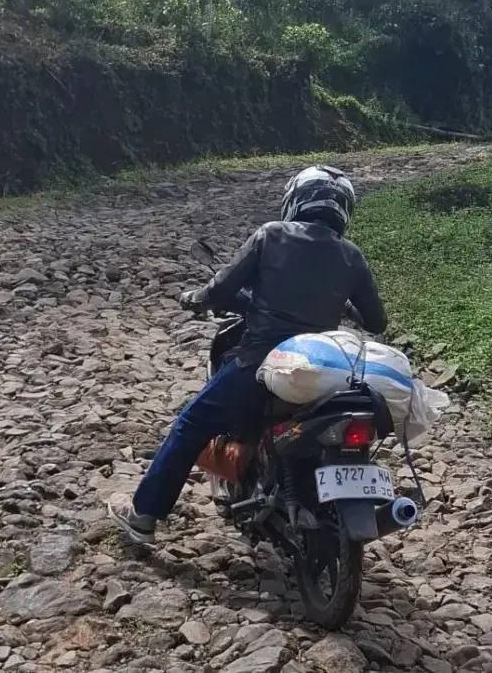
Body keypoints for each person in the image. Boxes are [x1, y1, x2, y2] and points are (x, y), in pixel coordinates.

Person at [107, 165, 388, 543]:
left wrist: (194, 299)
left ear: (297, 200)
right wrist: (345, 304)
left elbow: (220, 290)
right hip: (322, 367)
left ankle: (143, 517)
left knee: (190, 426)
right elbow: (377, 321)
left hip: (260, 364)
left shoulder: (272, 234)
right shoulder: (351, 256)